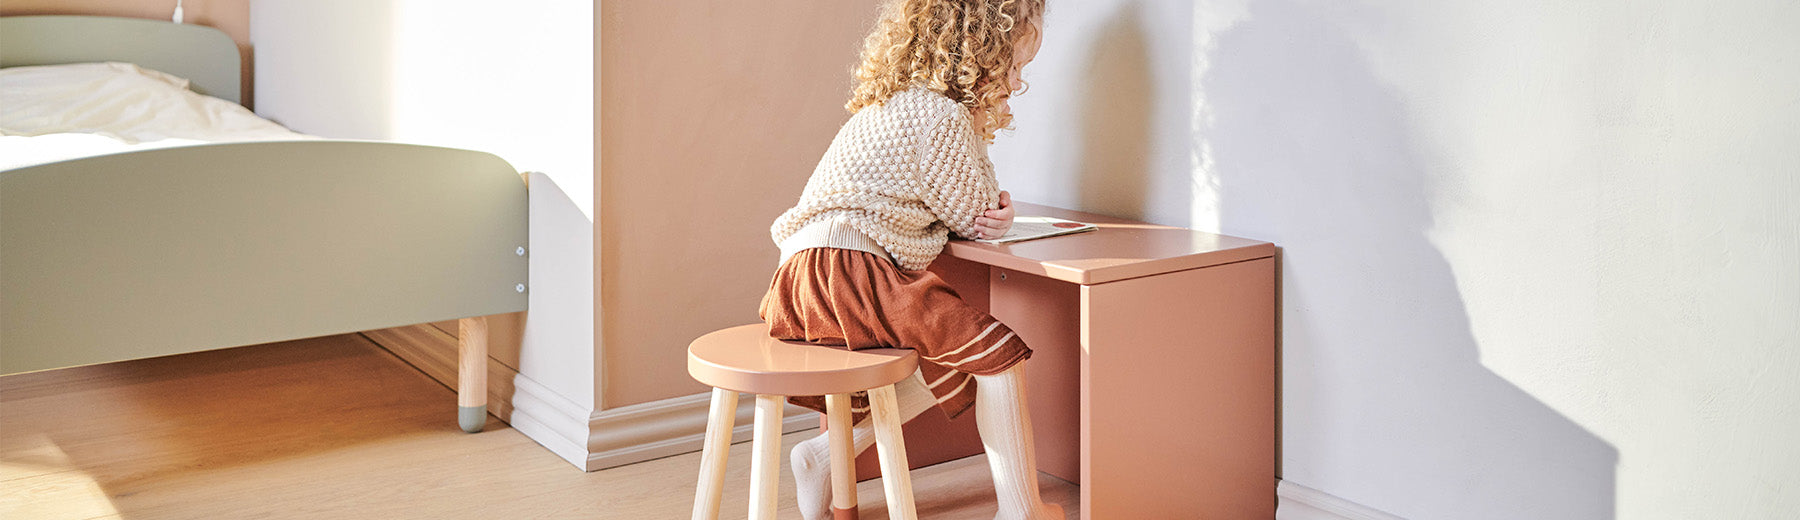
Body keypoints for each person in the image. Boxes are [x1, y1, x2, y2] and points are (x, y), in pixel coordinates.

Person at [758, 0, 1059, 518]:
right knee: (999, 358)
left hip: (803, 274)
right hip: (849, 267)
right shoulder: (942, 115)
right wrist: (1001, 210)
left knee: (954, 365)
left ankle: (823, 459)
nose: (1015, 80)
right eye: (1014, 64)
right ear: (984, 50)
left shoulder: (886, 105)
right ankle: (1022, 511)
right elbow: (974, 214)